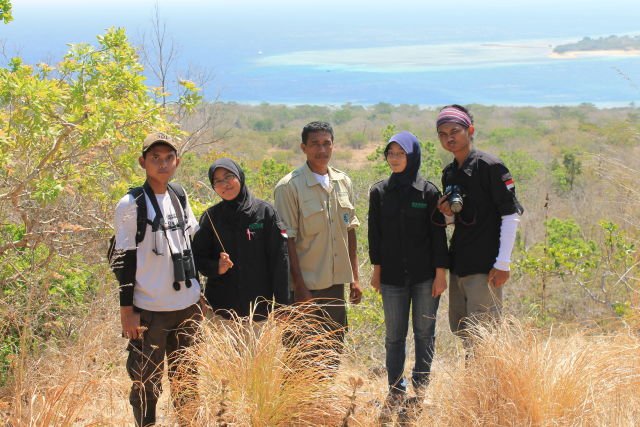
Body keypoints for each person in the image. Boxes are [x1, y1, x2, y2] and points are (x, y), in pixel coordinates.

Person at [112, 132, 203, 426]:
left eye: (168, 158)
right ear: (143, 162)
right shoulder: (131, 203)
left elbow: (192, 243)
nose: (162, 164)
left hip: (186, 307)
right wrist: (127, 310)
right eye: (155, 158)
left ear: (177, 161)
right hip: (150, 311)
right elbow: (124, 258)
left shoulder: (179, 195)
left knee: (187, 381)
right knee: (145, 384)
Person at [368, 131, 449, 407]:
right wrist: (376, 270)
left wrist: (441, 274)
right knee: (394, 336)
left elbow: (439, 237)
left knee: (425, 333)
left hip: (425, 277)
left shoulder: (428, 192)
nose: (394, 159)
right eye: (390, 153)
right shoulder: (379, 192)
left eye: (400, 153)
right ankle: (395, 389)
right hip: (391, 278)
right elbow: (374, 235)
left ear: (412, 155)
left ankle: (421, 387)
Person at [435, 105, 524, 349]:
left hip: (486, 266)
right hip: (460, 262)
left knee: (485, 333)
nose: (449, 138)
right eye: (442, 134)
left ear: (470, 130)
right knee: (464, 331)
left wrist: (503, 263)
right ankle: (474, 385)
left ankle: (488, 385)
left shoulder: (490, 167)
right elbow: (457, 222)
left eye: (454, 131)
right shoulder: (450, 173)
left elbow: (510, 214)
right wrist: (446, 215)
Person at [274, 121, 362, 343]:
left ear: (333, 146)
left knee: (333, 347)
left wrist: (355, 278)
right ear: (303, 148)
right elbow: (287, 241)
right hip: (305, 288)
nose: (321, 150)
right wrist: (300, 290)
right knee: (301, 354)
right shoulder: (289, 187)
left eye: (326, 144)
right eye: (315, 144)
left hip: (335, 286)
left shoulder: (343, 182)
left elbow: (350, 230)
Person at [192, 158, 289, 320]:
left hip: (258, 312)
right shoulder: (211, 217)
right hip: (220, 312)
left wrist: (282, 305)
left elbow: (280, 261)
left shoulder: (265, 213)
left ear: (240, 176)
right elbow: (198, 259)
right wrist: (217, 267)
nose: (225, 184)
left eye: (229, 176)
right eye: (218, 181)